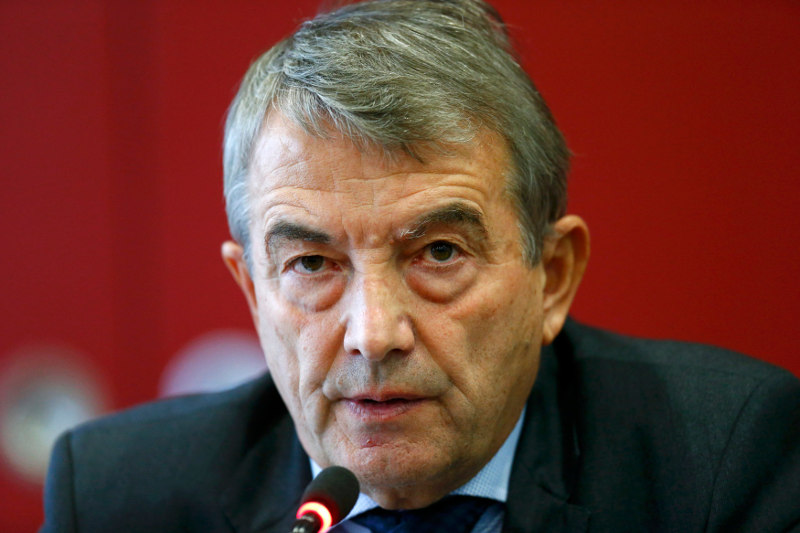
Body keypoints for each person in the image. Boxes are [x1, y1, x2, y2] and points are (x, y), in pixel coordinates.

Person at [41, 0, 800, 531]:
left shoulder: (724, 462)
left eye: (439, 252)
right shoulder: (118, 492)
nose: (374, 334)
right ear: (252, 288)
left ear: (554, 275)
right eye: (311, 262)